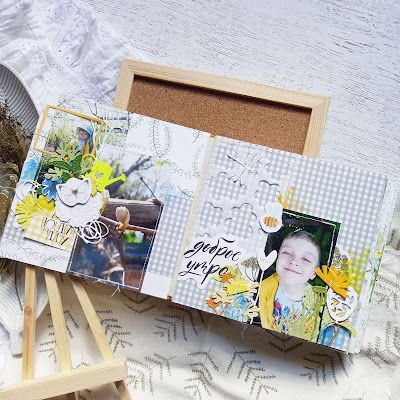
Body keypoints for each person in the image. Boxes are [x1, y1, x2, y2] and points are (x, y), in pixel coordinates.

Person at [258, 230, 321, 339]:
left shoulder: (316, 302)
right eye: (287, 253)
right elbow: (264, 318)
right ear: (277, 257)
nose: (294, 261)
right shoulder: (265, 286)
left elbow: (312, 333)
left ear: (313, 273)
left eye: (306, 259)